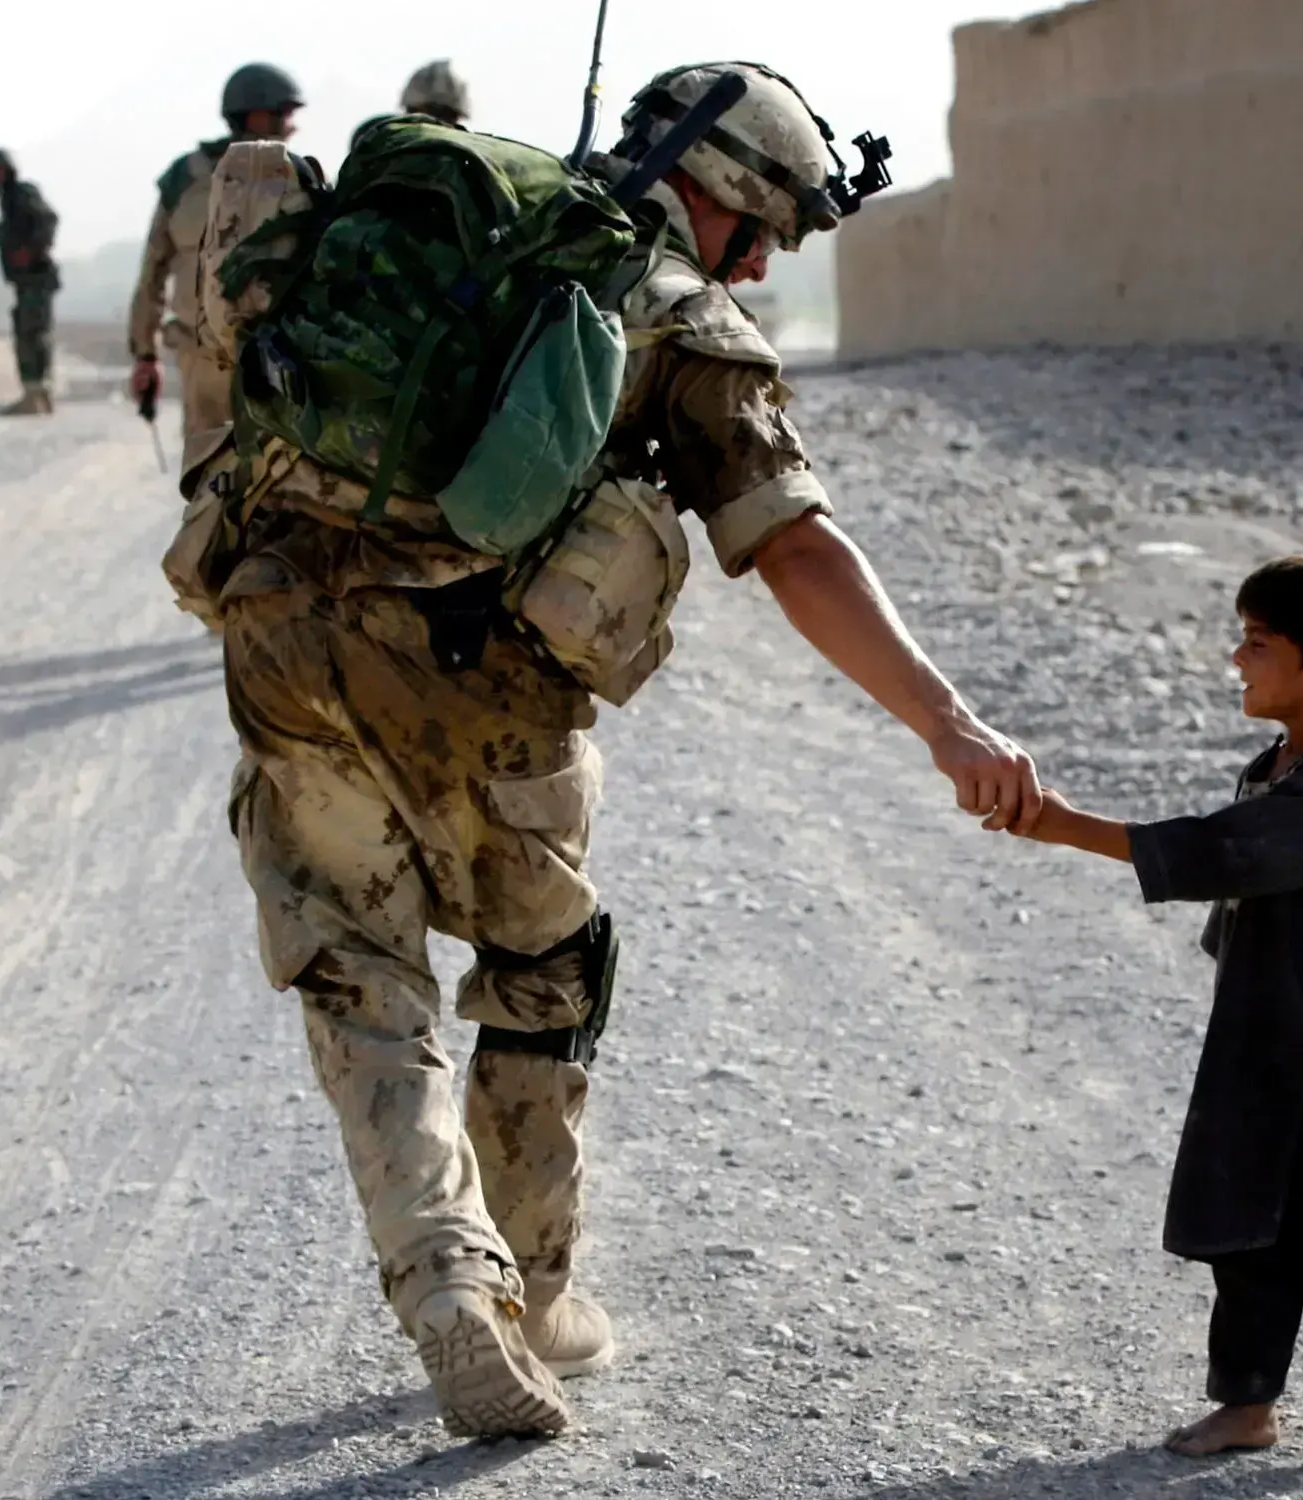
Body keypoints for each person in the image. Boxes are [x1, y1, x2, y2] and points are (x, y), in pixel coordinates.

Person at [178, 62, 1040, 1439]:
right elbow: (791, 542)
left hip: (278, 632)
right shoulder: (677, 314)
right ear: (720, 191)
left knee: (353, 969)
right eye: (762, 231)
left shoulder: (466, 225)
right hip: (473, 681)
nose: (760, 264)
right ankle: (529, 1292)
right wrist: (947, 719)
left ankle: (443, 1277)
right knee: (545, 965)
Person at [1004, 551, 1303, 1471]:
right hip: (1262, 1049)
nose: (1237, 659)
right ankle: (1247, 1405)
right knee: (1247, 1238)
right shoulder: (1279, 766)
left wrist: (1064, 825)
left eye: (1258, 642)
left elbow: (1224, 855)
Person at [128, 64, 304, 449]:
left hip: (275, 357)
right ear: (255, 116)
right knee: (212, 465)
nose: (292, 126)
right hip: (207, 356)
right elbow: (153, 270)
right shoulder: (186, 178)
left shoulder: (296, 176)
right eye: (284, 114)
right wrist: (144, 353)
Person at [0, 149, 59, 417]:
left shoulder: (22, 194)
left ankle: (36, 394)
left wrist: (31, 250)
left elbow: (48, 220)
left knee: (32, 334)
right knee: (30, 332)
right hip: (25, 280)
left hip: (36, 276)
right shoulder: (8, 201)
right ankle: (37, 394)